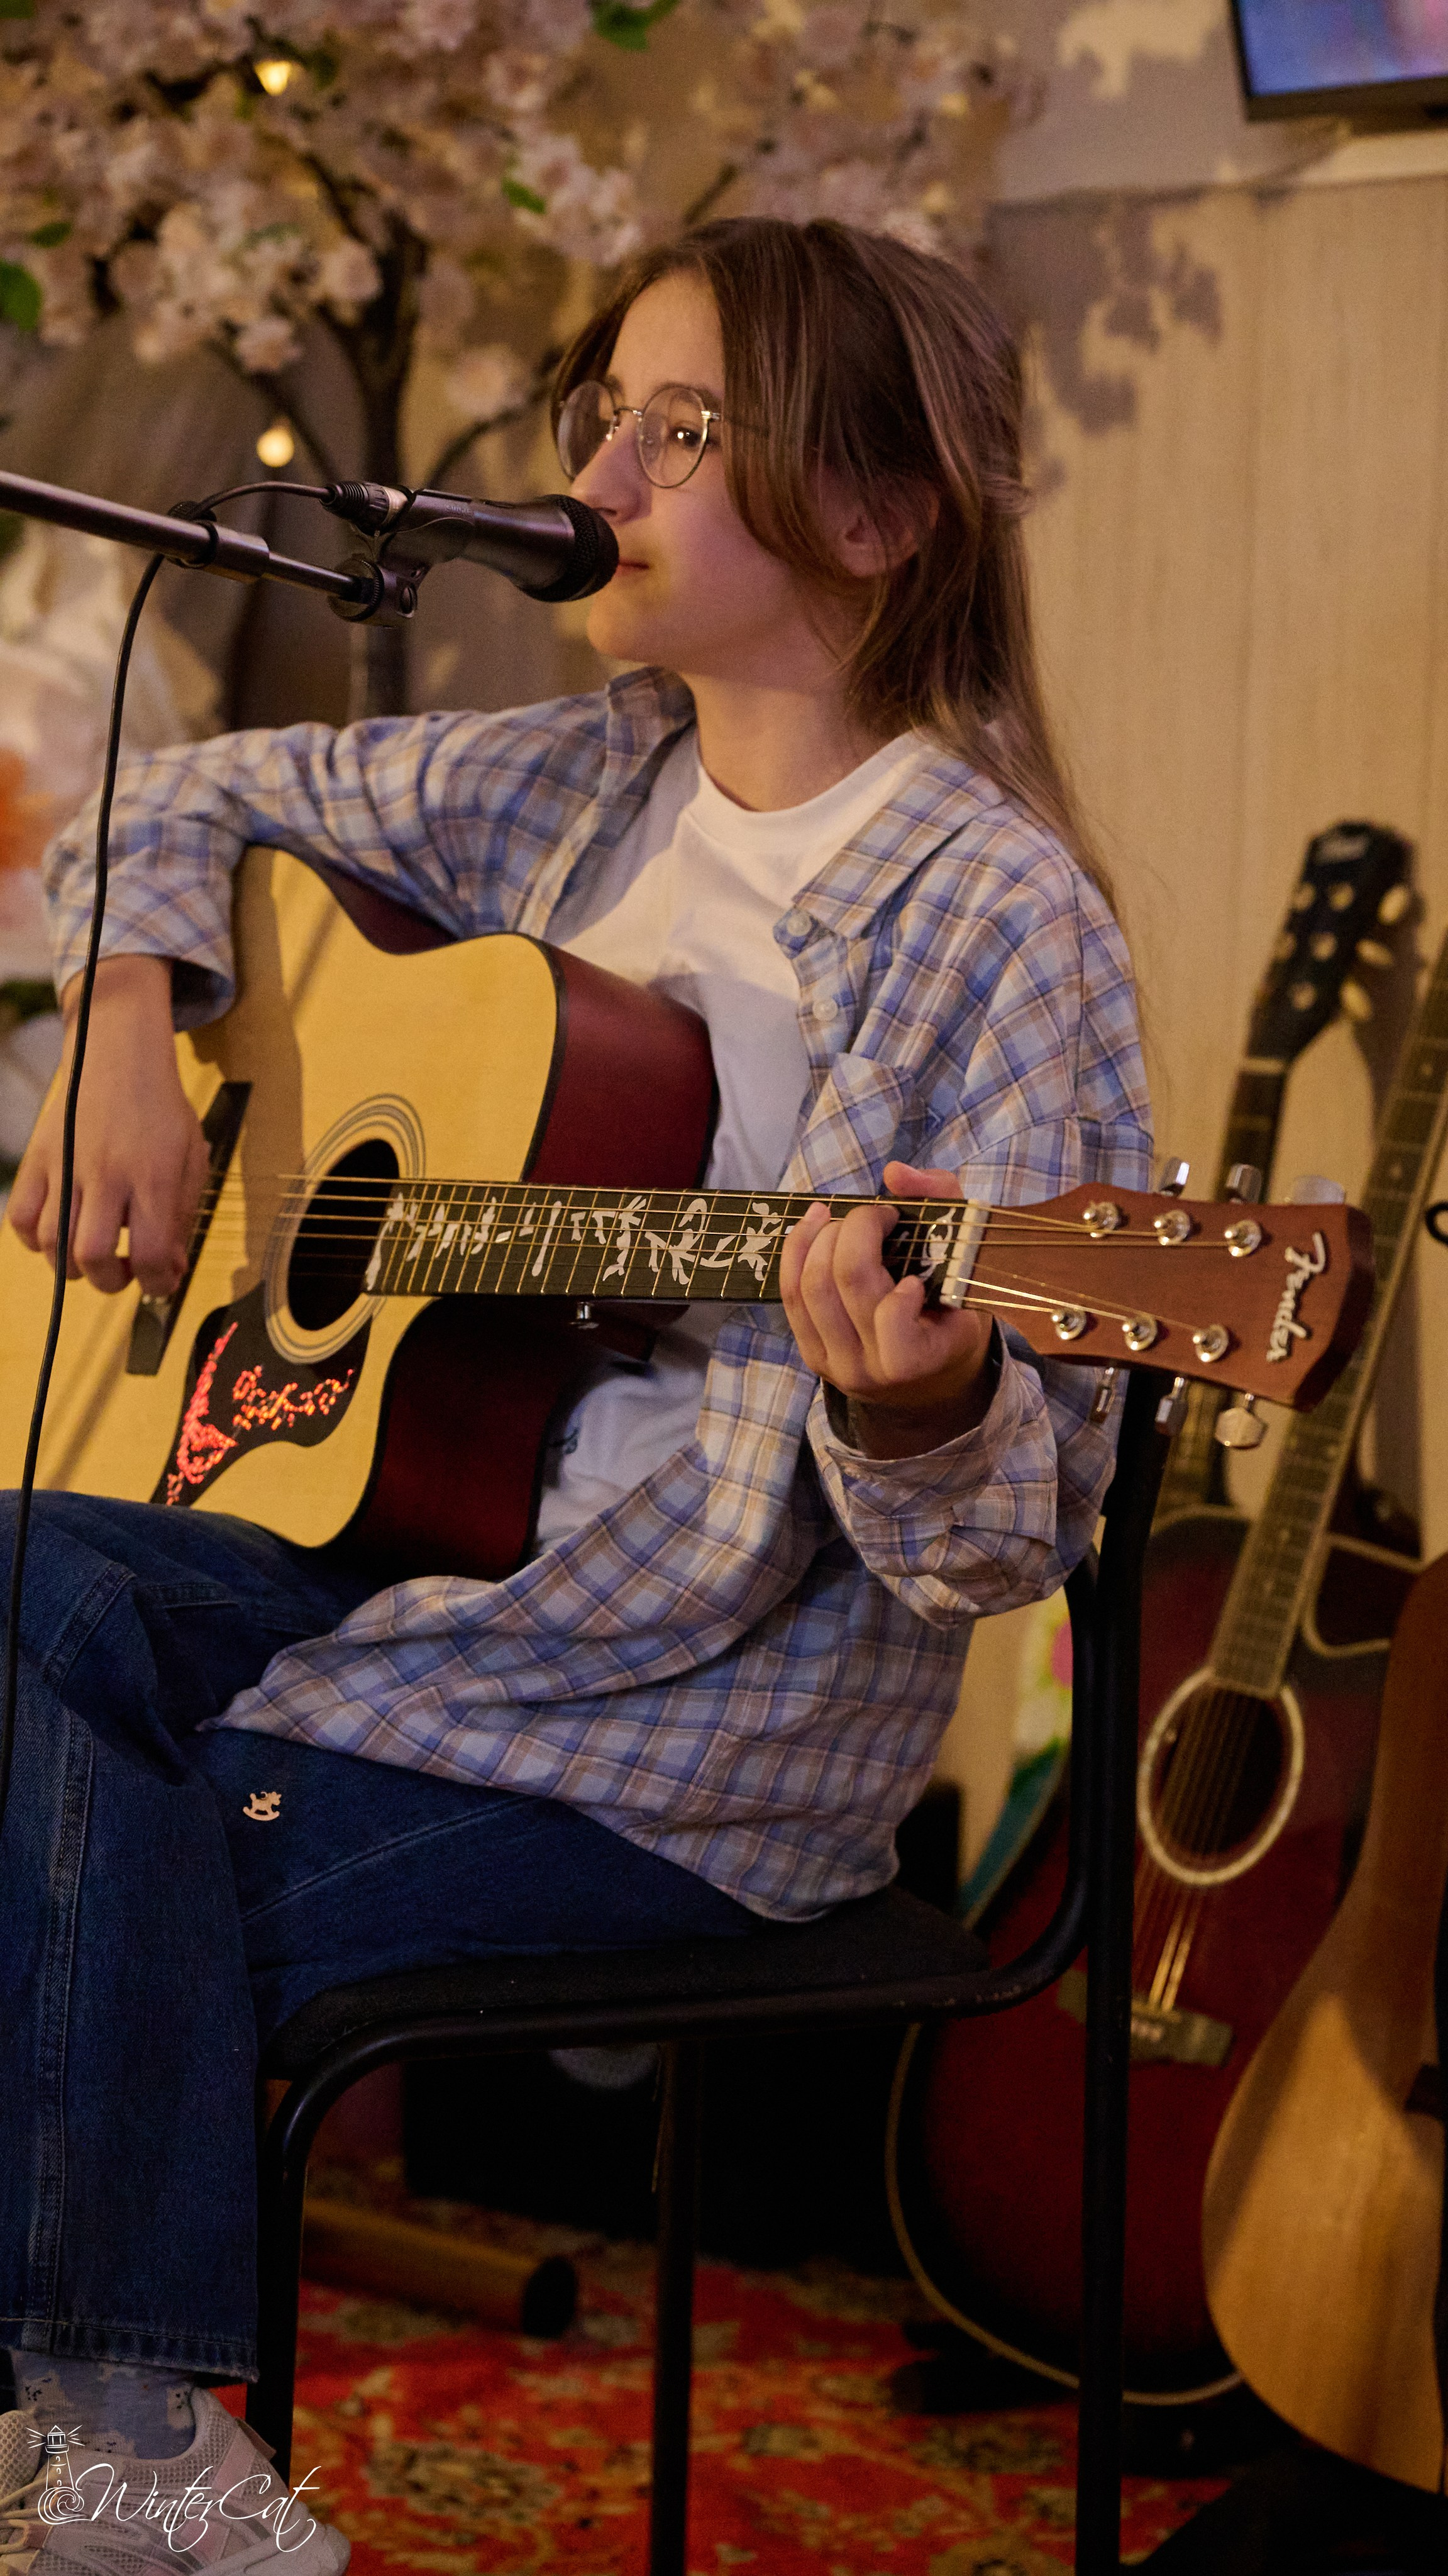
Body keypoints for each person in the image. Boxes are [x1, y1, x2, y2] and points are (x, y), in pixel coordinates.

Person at [0, 215, 1150, 2568]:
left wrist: (921, 1403)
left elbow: (1011, 1545)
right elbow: (190, 791)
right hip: (367, 1582)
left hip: (678, 1726)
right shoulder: (576, 783)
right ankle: (139, 2457)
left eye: (683, 428)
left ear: (877, 510)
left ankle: (119, 2457)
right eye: (597, 417)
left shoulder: (993, 918)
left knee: (63, 1871)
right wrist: (129, 1023)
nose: (605, 468)